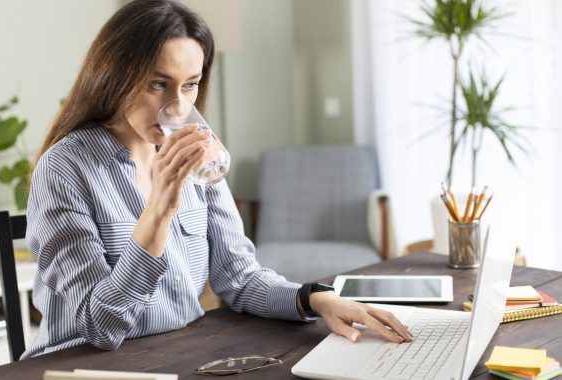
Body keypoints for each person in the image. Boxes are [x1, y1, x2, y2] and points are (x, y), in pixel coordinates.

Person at [24, 0, 412, 358]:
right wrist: (159, 211)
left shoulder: (196, 156)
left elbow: (239, 278)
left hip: (179, 353)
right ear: (115, 75)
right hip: (88, 365)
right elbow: (101, 326)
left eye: (189, 85)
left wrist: (314, 299)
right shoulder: (65, 169)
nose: (177, 106)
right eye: (158, 84)